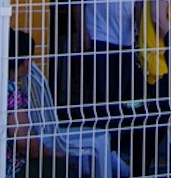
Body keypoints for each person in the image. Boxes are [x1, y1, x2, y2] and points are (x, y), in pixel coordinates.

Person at [10, 29, 129, 178]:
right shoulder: (12, 96)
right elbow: (24, 143)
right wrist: (52, 153)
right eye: (29, 58)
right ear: (23, 62)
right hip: (9, 167)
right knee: (57, 167)